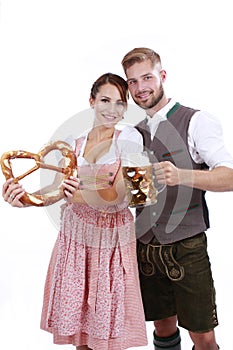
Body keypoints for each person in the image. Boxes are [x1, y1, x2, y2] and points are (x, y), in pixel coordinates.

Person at [2, 73, 148, 350]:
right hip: (75, 238)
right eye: (105, 100)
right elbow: (56, 190)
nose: (112, 109)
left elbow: (121, 196)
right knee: (80, 330)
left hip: (110, 238)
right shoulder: (74, 143)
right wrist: (26, 199)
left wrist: (75, 195)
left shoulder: (129, 137)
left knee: (106, 330)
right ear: (91, 101)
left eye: (120, 103)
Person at [121, 47, 233, 350]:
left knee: (203, 336)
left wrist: (182, 175)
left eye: (147, 77)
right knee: (162, 323)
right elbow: (135, 197)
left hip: (187, 246)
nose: (141, 87)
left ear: (163, 76)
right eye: (132, 81)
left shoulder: (197, 121)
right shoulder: (132, 134)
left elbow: (230, 177)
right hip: (145, 246)